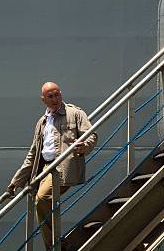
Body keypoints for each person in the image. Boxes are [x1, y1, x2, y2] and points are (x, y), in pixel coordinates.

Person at [7, 82, 97, 250]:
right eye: (51, 96)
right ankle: (57, 244)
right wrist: (16, 181)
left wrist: (84, 147)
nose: (55, 99)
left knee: (42, 199)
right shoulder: (42, 122)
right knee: (39, 204)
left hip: (62, 167)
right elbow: (33, 154)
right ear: (43, 99)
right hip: (44, 169)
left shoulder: (75, 113)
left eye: (57, 95)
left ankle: (55, 246)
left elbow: (91, 135)